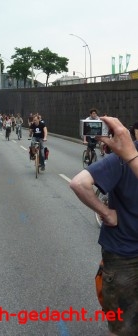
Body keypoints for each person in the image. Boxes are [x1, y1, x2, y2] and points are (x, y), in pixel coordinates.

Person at [69, 123, 138, 336]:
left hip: (123, 253)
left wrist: (107, 214)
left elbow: (79, 183)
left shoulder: (122, 155)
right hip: (124, 253)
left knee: (121, 327)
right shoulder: (124, 154)